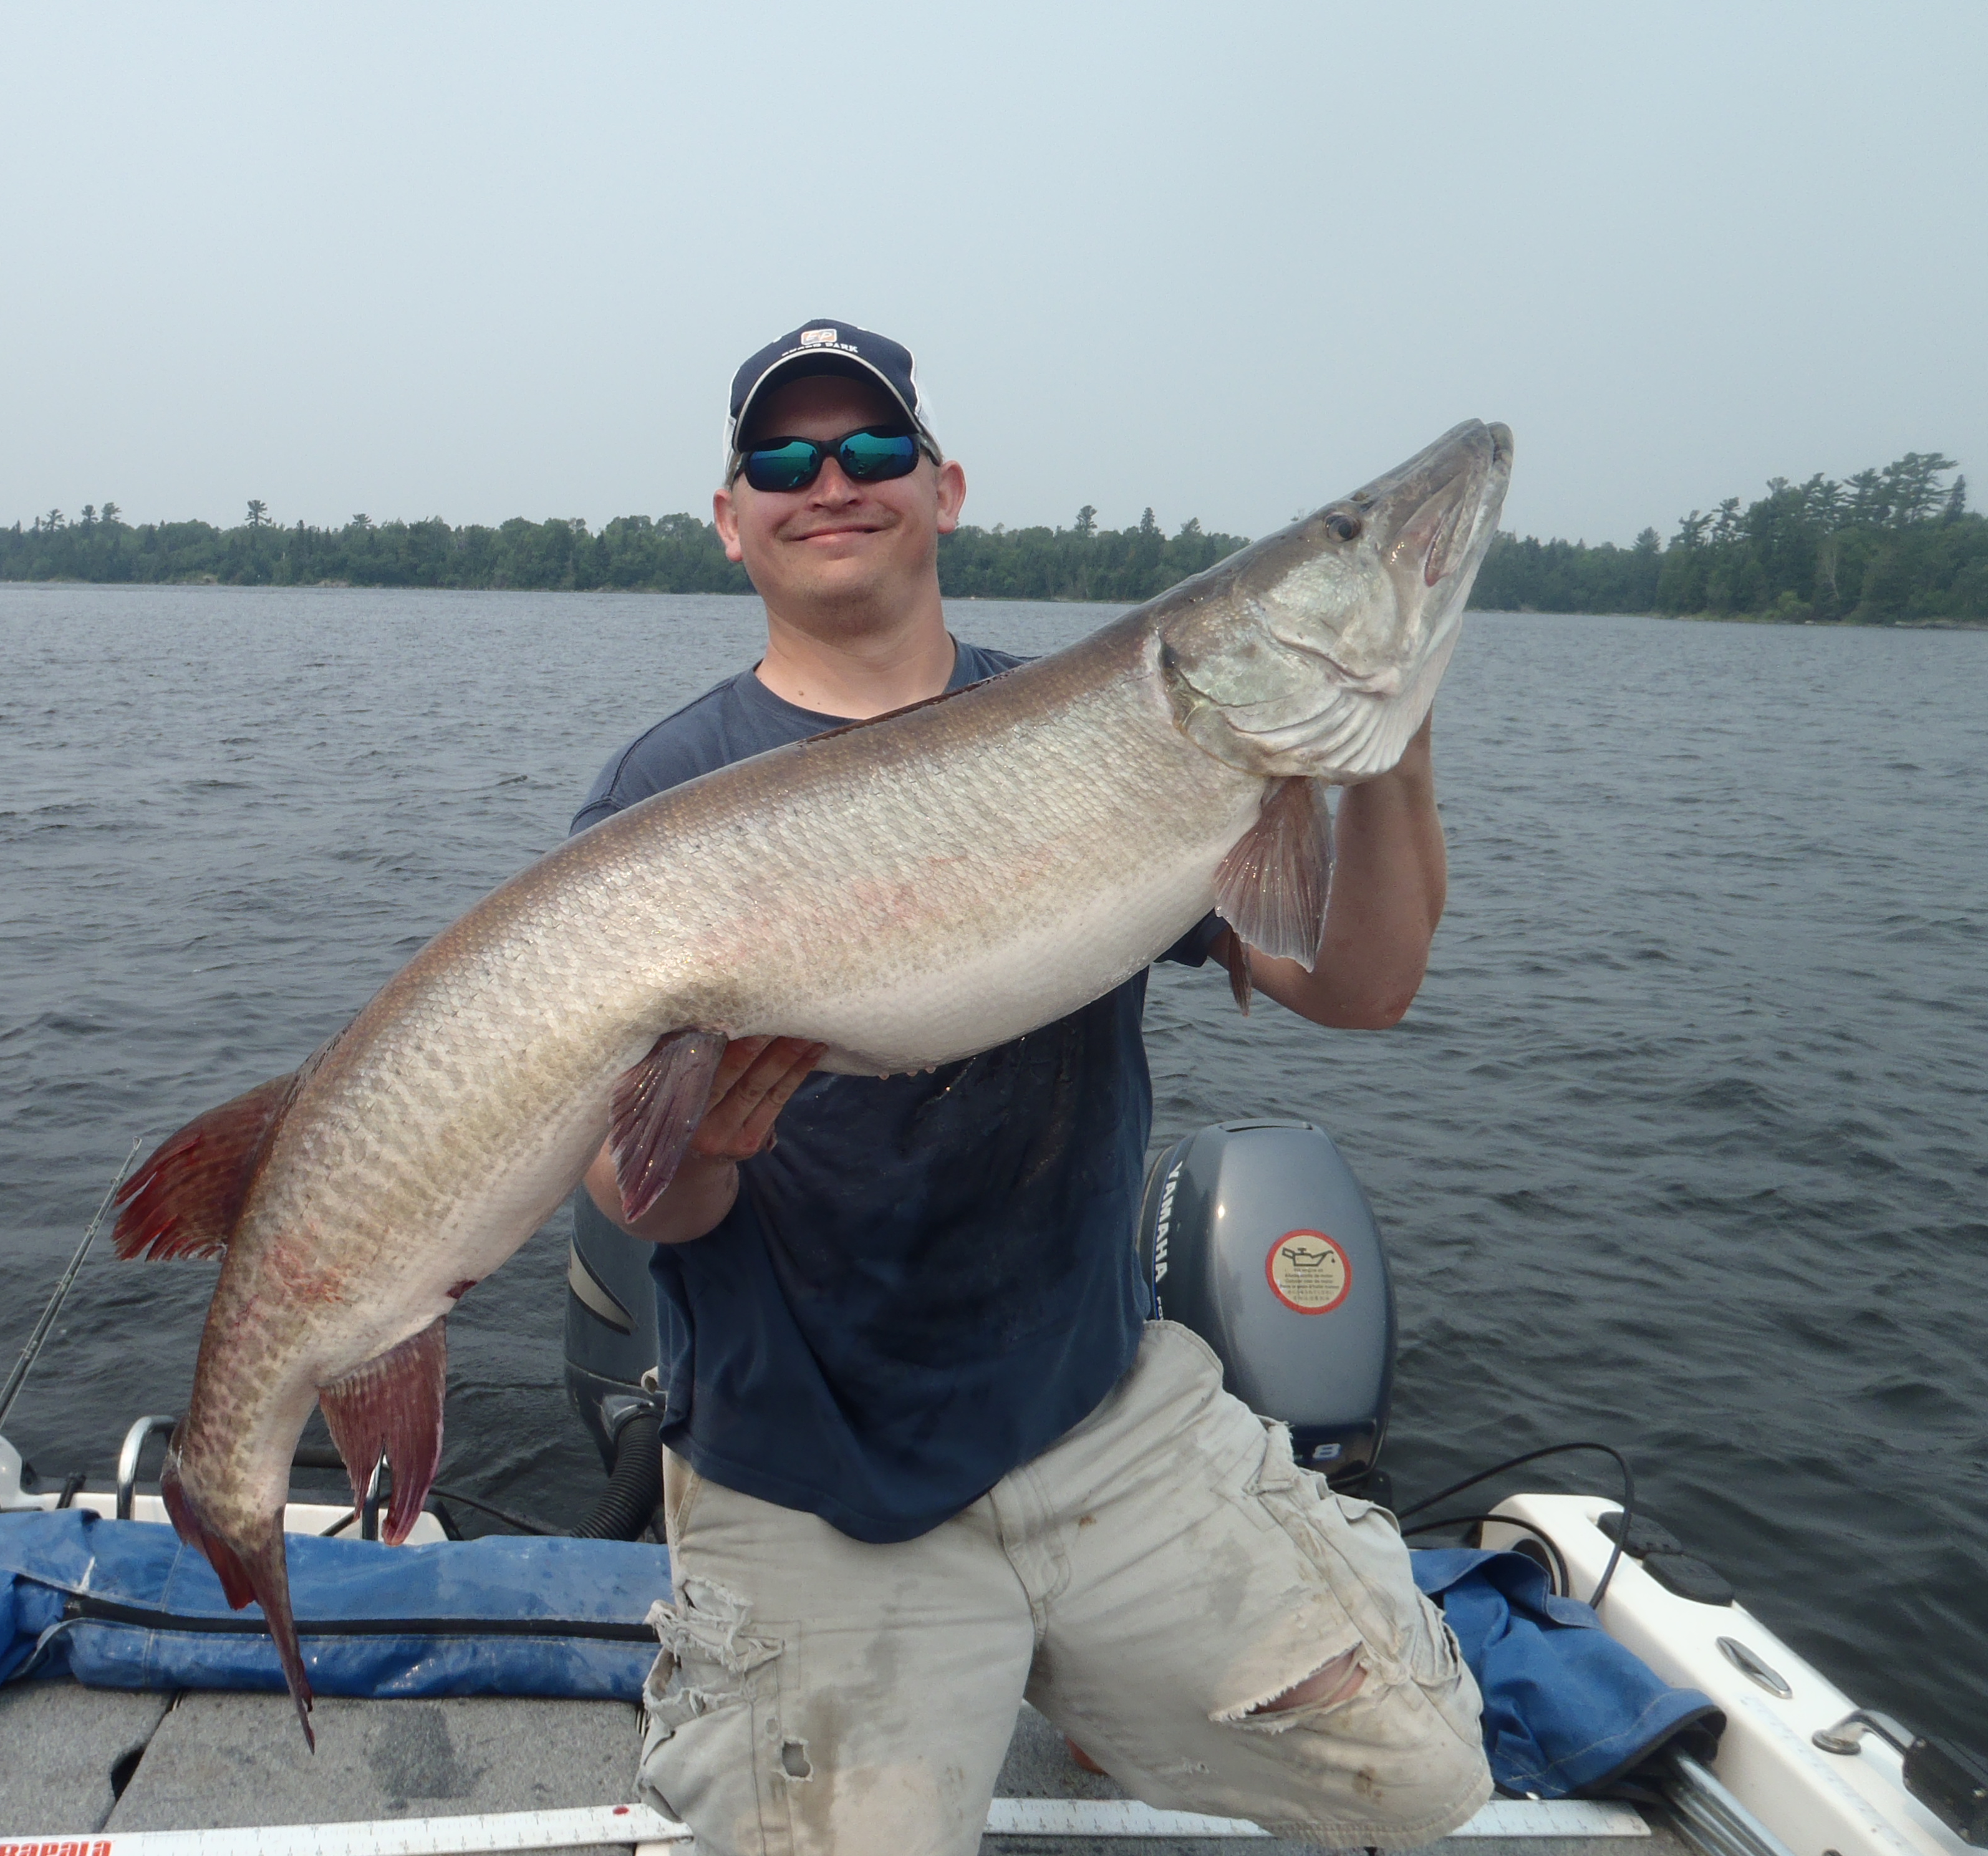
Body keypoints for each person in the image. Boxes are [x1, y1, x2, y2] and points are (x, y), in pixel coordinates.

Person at [571, 319, 1483, 1855]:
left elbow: (1361, 986)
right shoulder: (664, 791)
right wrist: (706, 1157)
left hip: (1093, 1414)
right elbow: (625, 1188)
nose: (830, 483)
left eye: (871, 451)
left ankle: (1094, 1675)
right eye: (781, 461)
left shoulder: (1137, 723)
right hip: (810, 1475)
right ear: (733, 520)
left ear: (943, 488)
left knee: (1423, 1781)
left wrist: (1385, 736)